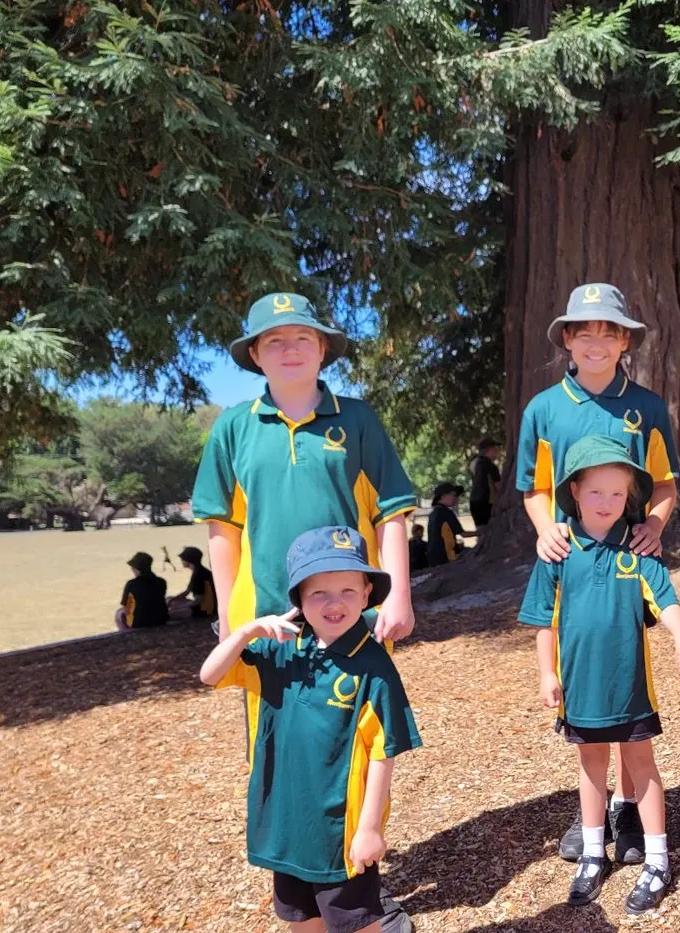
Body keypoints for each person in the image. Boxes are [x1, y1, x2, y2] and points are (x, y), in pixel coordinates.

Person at [191, 291, 418, 932]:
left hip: (351, 612)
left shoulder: (358, 419)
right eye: (274, 341)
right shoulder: (234, 427)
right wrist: (231, 621)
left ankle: (358, 884)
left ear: (323, 349)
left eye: (303, 339)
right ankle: (303, 891)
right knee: (284, 750)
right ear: (256, 356)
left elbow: (393, 510)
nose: (290, 350)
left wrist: (397, 591)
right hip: (270, 625)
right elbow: (222, 528)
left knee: (357, 743)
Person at [516, 282, 680, 865]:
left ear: (624, 341)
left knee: (626, 684)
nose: (596, 342)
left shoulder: (648, 407)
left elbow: (664, 483)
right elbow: (536, 488)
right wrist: (545, 529)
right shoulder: (542, 408)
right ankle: (596, 809)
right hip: (573, 561)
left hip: (627, 566)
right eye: (584, 331)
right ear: (566, 339)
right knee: (585, 688)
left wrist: (655, 526)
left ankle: (628, 810)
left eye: (609, 332)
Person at [199, 526, 422, 933]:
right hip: (284, 825)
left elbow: (382, 752)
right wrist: (246, 631)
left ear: (368, 594)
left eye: (348, 591)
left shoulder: (373, 666)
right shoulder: (280, 648)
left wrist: (369, 829)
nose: (334, 603)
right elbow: (209, 675)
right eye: (319, 592)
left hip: (340, 830)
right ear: (299, 598)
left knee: (357, 923)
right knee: (300, 920)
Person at [518, 436, 680, 913]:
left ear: (630, 498)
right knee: (590, 767)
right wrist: (546, 674)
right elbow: (545, 620)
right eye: (596, 492)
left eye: (617, 494)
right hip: (579, 689)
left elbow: (665, 599)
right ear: (575, 491)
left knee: (641, 765)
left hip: (631, 688)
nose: (607, 503)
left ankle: (658, 861)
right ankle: (592, 854)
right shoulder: (557, 552)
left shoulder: (638, 548)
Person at [114, 552, 169, 630]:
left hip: (139, 623)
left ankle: (125, 633)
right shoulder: (161, 581)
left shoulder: (131, 584)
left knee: (119, 613)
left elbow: (126, 608)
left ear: (136, 568)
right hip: (160, 619)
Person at [426, 483, 473, 565]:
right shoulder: (446, 512)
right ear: (443, 496)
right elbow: (463, 534)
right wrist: (483, 531)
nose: (456, 498)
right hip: (445, 557)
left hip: (432, 557)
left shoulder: (433, 513)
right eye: (454, 495)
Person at [167, 546, 217, 622]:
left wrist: (180, 607)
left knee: (170, 614)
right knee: (170, 599)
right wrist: (172, 600)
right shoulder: (200, 570)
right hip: (205, 606)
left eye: (183, 559)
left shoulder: (198, 575)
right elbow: (187, 591)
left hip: (204, 610)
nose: (182, 561)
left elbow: (198, 600)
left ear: (189, 560)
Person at [468, 438, 503, 527]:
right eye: (495, 449)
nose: (497, 451)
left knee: (481, 529)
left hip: (474, 501)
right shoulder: (490, 466)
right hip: (486, 502)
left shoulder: (474, 463)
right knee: (490, 529)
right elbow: (499, 487)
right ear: (489, 450)